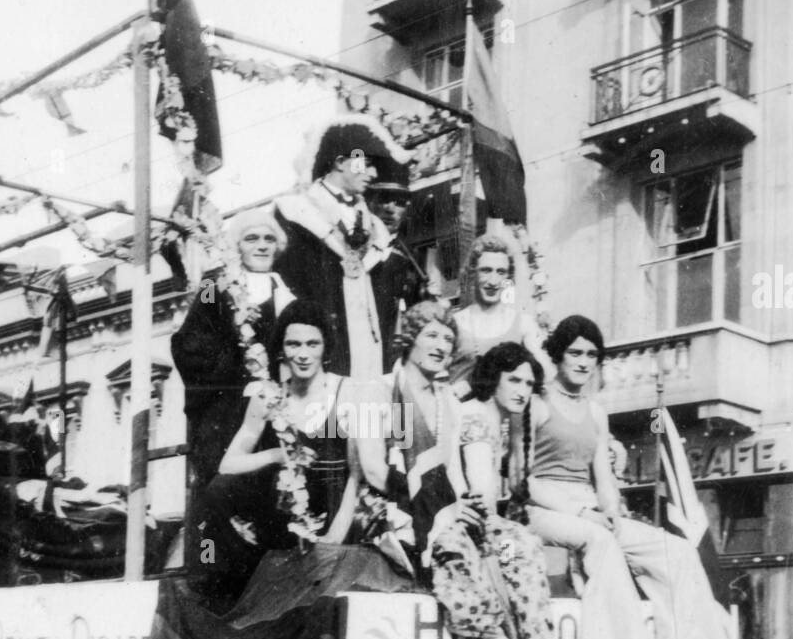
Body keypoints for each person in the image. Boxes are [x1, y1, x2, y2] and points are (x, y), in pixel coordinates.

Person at [527, 315, 747, 639]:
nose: (583, 362)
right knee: (600, 542)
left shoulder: (595, 412)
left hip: (590, 505)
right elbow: (526, 480)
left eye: (591, 355)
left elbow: (601, 474)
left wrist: (609, 510)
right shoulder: (537, 403)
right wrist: (583, 511)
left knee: (675, 552)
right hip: (544, 507)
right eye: (575, 352)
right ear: (558, 354)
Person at [381, 300, 596, 639]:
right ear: (409, 340)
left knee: (518, 542)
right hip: (401, 509)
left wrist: (465, 506)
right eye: (431, 335)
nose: (440, 345)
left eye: (448, 339)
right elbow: (375, 466)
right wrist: (452, 507)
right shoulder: (388, 390)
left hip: (446, 507)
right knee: (457, 542)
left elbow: (459, 480)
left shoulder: (447, 402)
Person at [197, 299, 382, 605]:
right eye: (294, 344)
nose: (304, 354)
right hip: (283, 521)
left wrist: (334, 539)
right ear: (281, 348)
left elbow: (356, 477)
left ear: (326, 346)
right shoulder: (268, 397)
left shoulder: (348, 393)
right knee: (218, 491)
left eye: (313, 343)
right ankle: (227, 587)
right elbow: (228, 464)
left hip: (334, 514)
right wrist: (277, 455)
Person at [459, 341, 614, 639]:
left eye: (529, 384)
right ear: (493, 378)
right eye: (513, 380)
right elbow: (481, 490)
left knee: (520, 543)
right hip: (458, 520)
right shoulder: (476, 415)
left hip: (479, 520)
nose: (522, 391)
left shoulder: (495, 419)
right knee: (518, 544)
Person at [274, 117, 419, 379]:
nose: (373, 175)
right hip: (319, 357)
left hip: (371, 359)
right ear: (340, 162)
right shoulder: (294, 213)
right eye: (367, 164)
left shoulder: (376, 228)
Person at [171, 208, 293, 482]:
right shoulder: (212, 283)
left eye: (268, 239)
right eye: (252, 238)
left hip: (275, 408)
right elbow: (188, 342)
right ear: (237, 245)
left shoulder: (286, 290)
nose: (262, 245)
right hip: (228, 409)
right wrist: (237, 367)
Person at [449, 231, 545, 399]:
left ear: (509, 277)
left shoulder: (523, 324)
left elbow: (543, 376)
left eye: (501, 272)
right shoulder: (454, 323)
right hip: (461, 416)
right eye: (486, 270)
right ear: (473, 273)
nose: (493, 281)